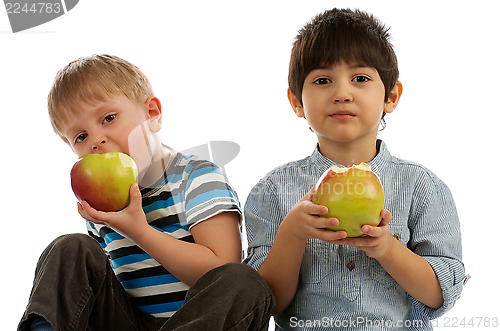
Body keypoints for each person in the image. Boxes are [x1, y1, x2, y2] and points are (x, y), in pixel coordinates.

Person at [243, 8, 468, 331]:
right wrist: (292, 232)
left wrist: (387, 248)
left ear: (391, 96)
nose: (342, 94)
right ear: (296, 102)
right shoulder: (273, 191)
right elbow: (268, 301)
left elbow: (440, 293)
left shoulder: (422, 186)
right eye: (322, 80)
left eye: (360, 78)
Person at [18, 54, 275, 331]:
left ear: (152, 114)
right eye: (80, 137)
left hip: (197, 321)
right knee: (70, 248)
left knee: (244, 282)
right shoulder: (100, 204)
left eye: (108, 118)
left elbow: (220, 268)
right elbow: (98, 289)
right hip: (129, 323)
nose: (96, 140)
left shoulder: (196, 177)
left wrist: (139, 231)